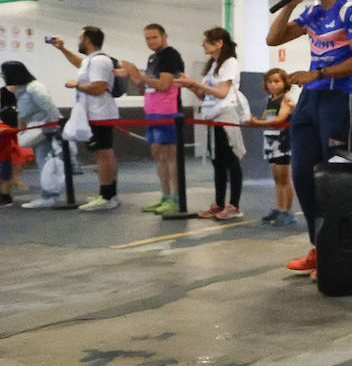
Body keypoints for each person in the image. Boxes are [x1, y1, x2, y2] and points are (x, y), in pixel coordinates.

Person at [265, 0, 352, 273]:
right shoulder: (311, 12)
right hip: (310, 102)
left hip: (337, 100)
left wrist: (319, 73)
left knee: (335, 180)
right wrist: (292, 3)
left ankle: (340, 250)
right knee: (303, 176)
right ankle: (319, 247)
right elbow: (273, 39)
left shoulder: (350, 12)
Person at [175, 27, 245, 220]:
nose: (202, 44)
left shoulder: (230, 63)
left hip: (225, 118)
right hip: (212, 117)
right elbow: (204, 94)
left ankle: (234, 205)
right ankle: (219, 203)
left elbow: (223, 93)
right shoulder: (213, 65)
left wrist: (196, 84)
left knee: (231, 161)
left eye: (206, 40)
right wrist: (190, 85)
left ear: (219, 43)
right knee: (218, 162)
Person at [117, 23, 185, 215]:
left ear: (164, 36)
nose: (151, 41)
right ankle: (165, 195)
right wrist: (131, 74)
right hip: (153, 111)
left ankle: (176, 198)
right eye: (147, 38)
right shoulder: (152, 58)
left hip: (169, 112)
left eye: (154, 37)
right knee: (158, 155)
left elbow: (164, 85)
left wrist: (140, 75)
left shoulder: (170, 55)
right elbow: (143, 85)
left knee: (170, 156)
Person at [51, 27, 120, 211]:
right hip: (96, 113)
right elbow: (81, 64)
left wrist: (77, 85)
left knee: (103, 154)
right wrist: (63, 49)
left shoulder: (99, 61)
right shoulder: (93, 61)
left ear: (88, 39)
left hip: (99, 114)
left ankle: (107, 197)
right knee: (103, 153)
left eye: (80, 38)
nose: (78, 41)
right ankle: (109, 194)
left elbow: (98, 88)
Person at [3, 61, 62, 208]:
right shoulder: (21, 89)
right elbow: (23, 112)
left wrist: (56, 127)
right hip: (35, 129)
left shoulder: (35, 88)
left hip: (46, 130)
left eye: (4, 73)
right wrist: (21, 127)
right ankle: (48, 195)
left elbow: (50, 108)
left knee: (47, 163)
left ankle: (49, 196)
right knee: (43, 162)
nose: (3, 76)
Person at [244, 68, 295, 225]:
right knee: (277, 178)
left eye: (277, 81)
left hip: (283, 142)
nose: (273, 85)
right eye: (270, 81)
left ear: (284, 83)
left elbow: (279, 119)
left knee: (284, 177)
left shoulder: (286, 101)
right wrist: (257, 121)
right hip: (270, 141)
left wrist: (257, 122)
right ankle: (279, 208)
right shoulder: (270, 99)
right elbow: (269, 119)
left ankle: (287, 212)